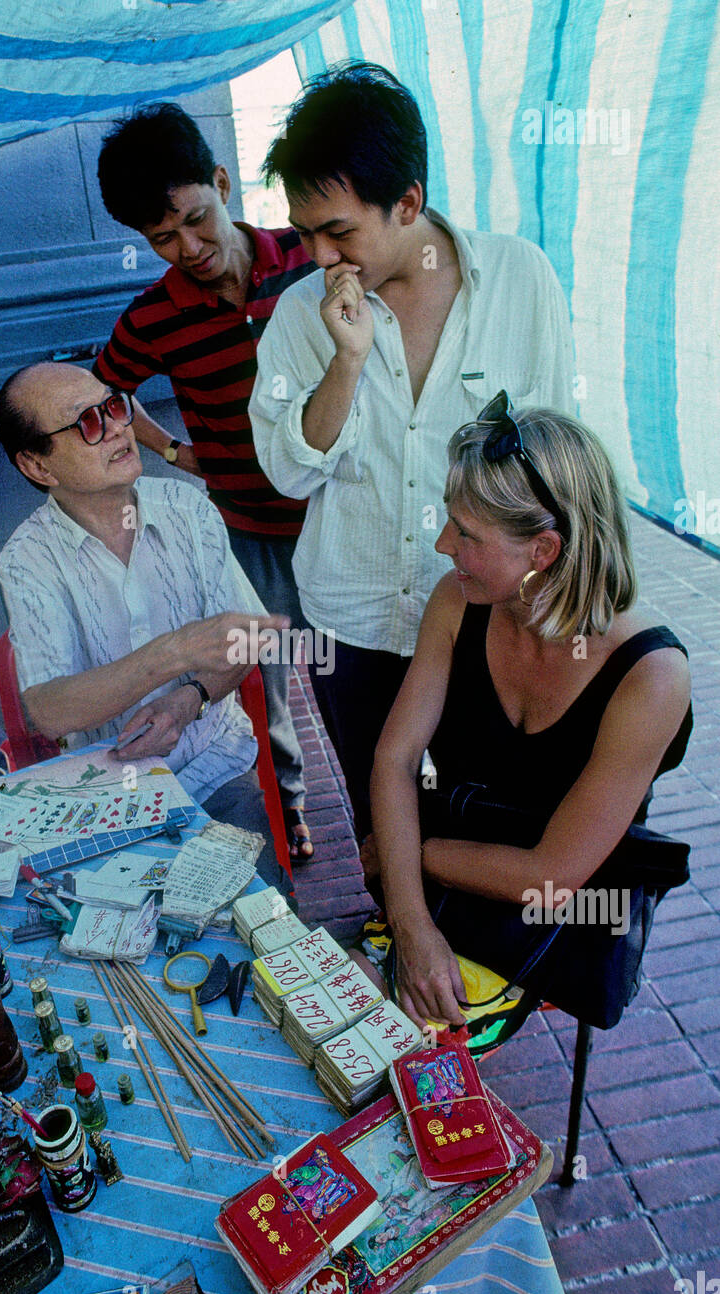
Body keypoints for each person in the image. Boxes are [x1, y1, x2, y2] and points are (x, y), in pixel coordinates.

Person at [249, 62, 576, 844]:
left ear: (408, 202)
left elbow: (556, 459)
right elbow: (290, 473)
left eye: (340, 232)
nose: (322, 255)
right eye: (305, 233)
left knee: (483, 811)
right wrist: (348, 361)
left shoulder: (518, 279)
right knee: (375, 810)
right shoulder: (300, 313)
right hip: (352, 618)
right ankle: (397, 939)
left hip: (479, 612)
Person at [369, 396, 692, 1030]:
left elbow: (549, 877)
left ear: (543, 551)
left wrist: (408, 852)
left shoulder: (650, 675)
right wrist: (411, 922)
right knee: (349, 1017)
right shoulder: (459, 602)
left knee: (401, 1049)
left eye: (464, 532)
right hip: (464, 856)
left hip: (561, 905)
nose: (441, 545)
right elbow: (396, 756)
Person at [92, 104, 317, 864]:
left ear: (224, 182)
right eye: (163, 238)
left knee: (371, 665)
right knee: (265, 680)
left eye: (197, 219)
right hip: (247, 529)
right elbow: (105, 392)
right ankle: (289, 814)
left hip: (342, 519)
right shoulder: (153, 317)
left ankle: (401, 801)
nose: (189, 248)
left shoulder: (309, 259)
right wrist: (172, 452)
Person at [0, 361, 292, 891]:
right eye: (86, 423)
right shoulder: (27, 559)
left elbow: (245, 637)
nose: (116, 427)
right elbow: (48, 710)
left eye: (114, 406)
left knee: (265, 929)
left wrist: (190, 698)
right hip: (106, 799)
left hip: (213, 767)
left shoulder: (188, 508)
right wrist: (174, 652)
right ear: (39, 467)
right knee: (117, 948)